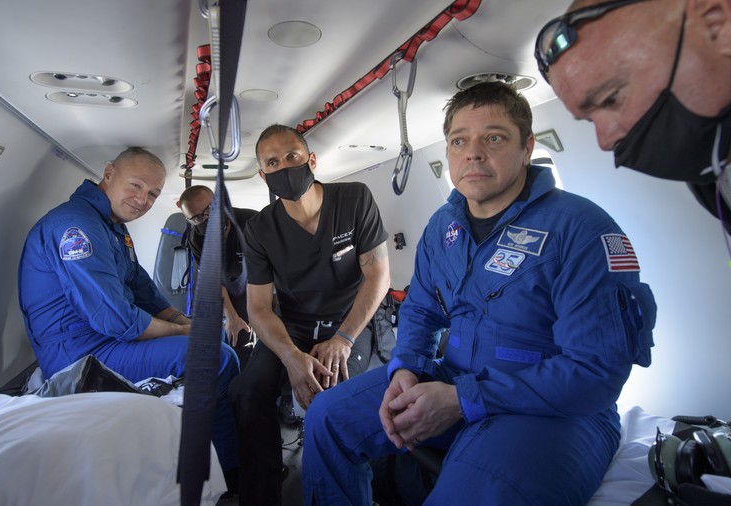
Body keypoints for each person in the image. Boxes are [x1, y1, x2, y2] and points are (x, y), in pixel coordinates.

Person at [301, 82, 658, 505]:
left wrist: (461, 401)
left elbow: (594, 372)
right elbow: (421, 310)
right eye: (459, 141)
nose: (473, 152)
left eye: (493, 137)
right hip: (456, 379)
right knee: (326, 418)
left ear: (527, 147)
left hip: (555, 410)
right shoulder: (442, 227)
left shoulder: (582, 230)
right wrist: (407, 370)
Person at [17, 147, 239, 480]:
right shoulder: (76, 227)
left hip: (107, 341)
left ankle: (213, 445)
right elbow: (115, 318)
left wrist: (182, 320)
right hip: (80, 355)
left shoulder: (110, 226)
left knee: (215, 335)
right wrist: (181, 332)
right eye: (136, 186)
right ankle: (225, 466)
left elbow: (140, 285)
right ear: (109, 174)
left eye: (153, 194)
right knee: (217, 358)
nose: (143, 200)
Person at [230, 124, 392, 505]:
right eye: (272, 162)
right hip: (295, 326)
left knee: (340, 396)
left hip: (351, 320)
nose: (284, 166)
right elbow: (257, 307)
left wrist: (344, 338)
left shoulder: (354, 199)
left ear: (311, 160)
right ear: (263, 175)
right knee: (247, 391)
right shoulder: (258, 230)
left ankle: (372, 489)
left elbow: (378, 275)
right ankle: (262, 494)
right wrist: (290, 357)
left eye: (292, 156)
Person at [535, 0, 730, 233]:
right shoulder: (710, 176)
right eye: (589, 120)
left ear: (716, 24)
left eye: (611, 99)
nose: (604, 142)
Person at [177, 184, 258, 370]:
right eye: (197, 217)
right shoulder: (196, 238)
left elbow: (277, 267)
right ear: (189, 220)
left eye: (210, 209)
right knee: (239, 335)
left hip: (265, 281)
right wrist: (231, 317)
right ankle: (241, 384)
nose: (207, 218)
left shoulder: (252, 222)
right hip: (231, 285)